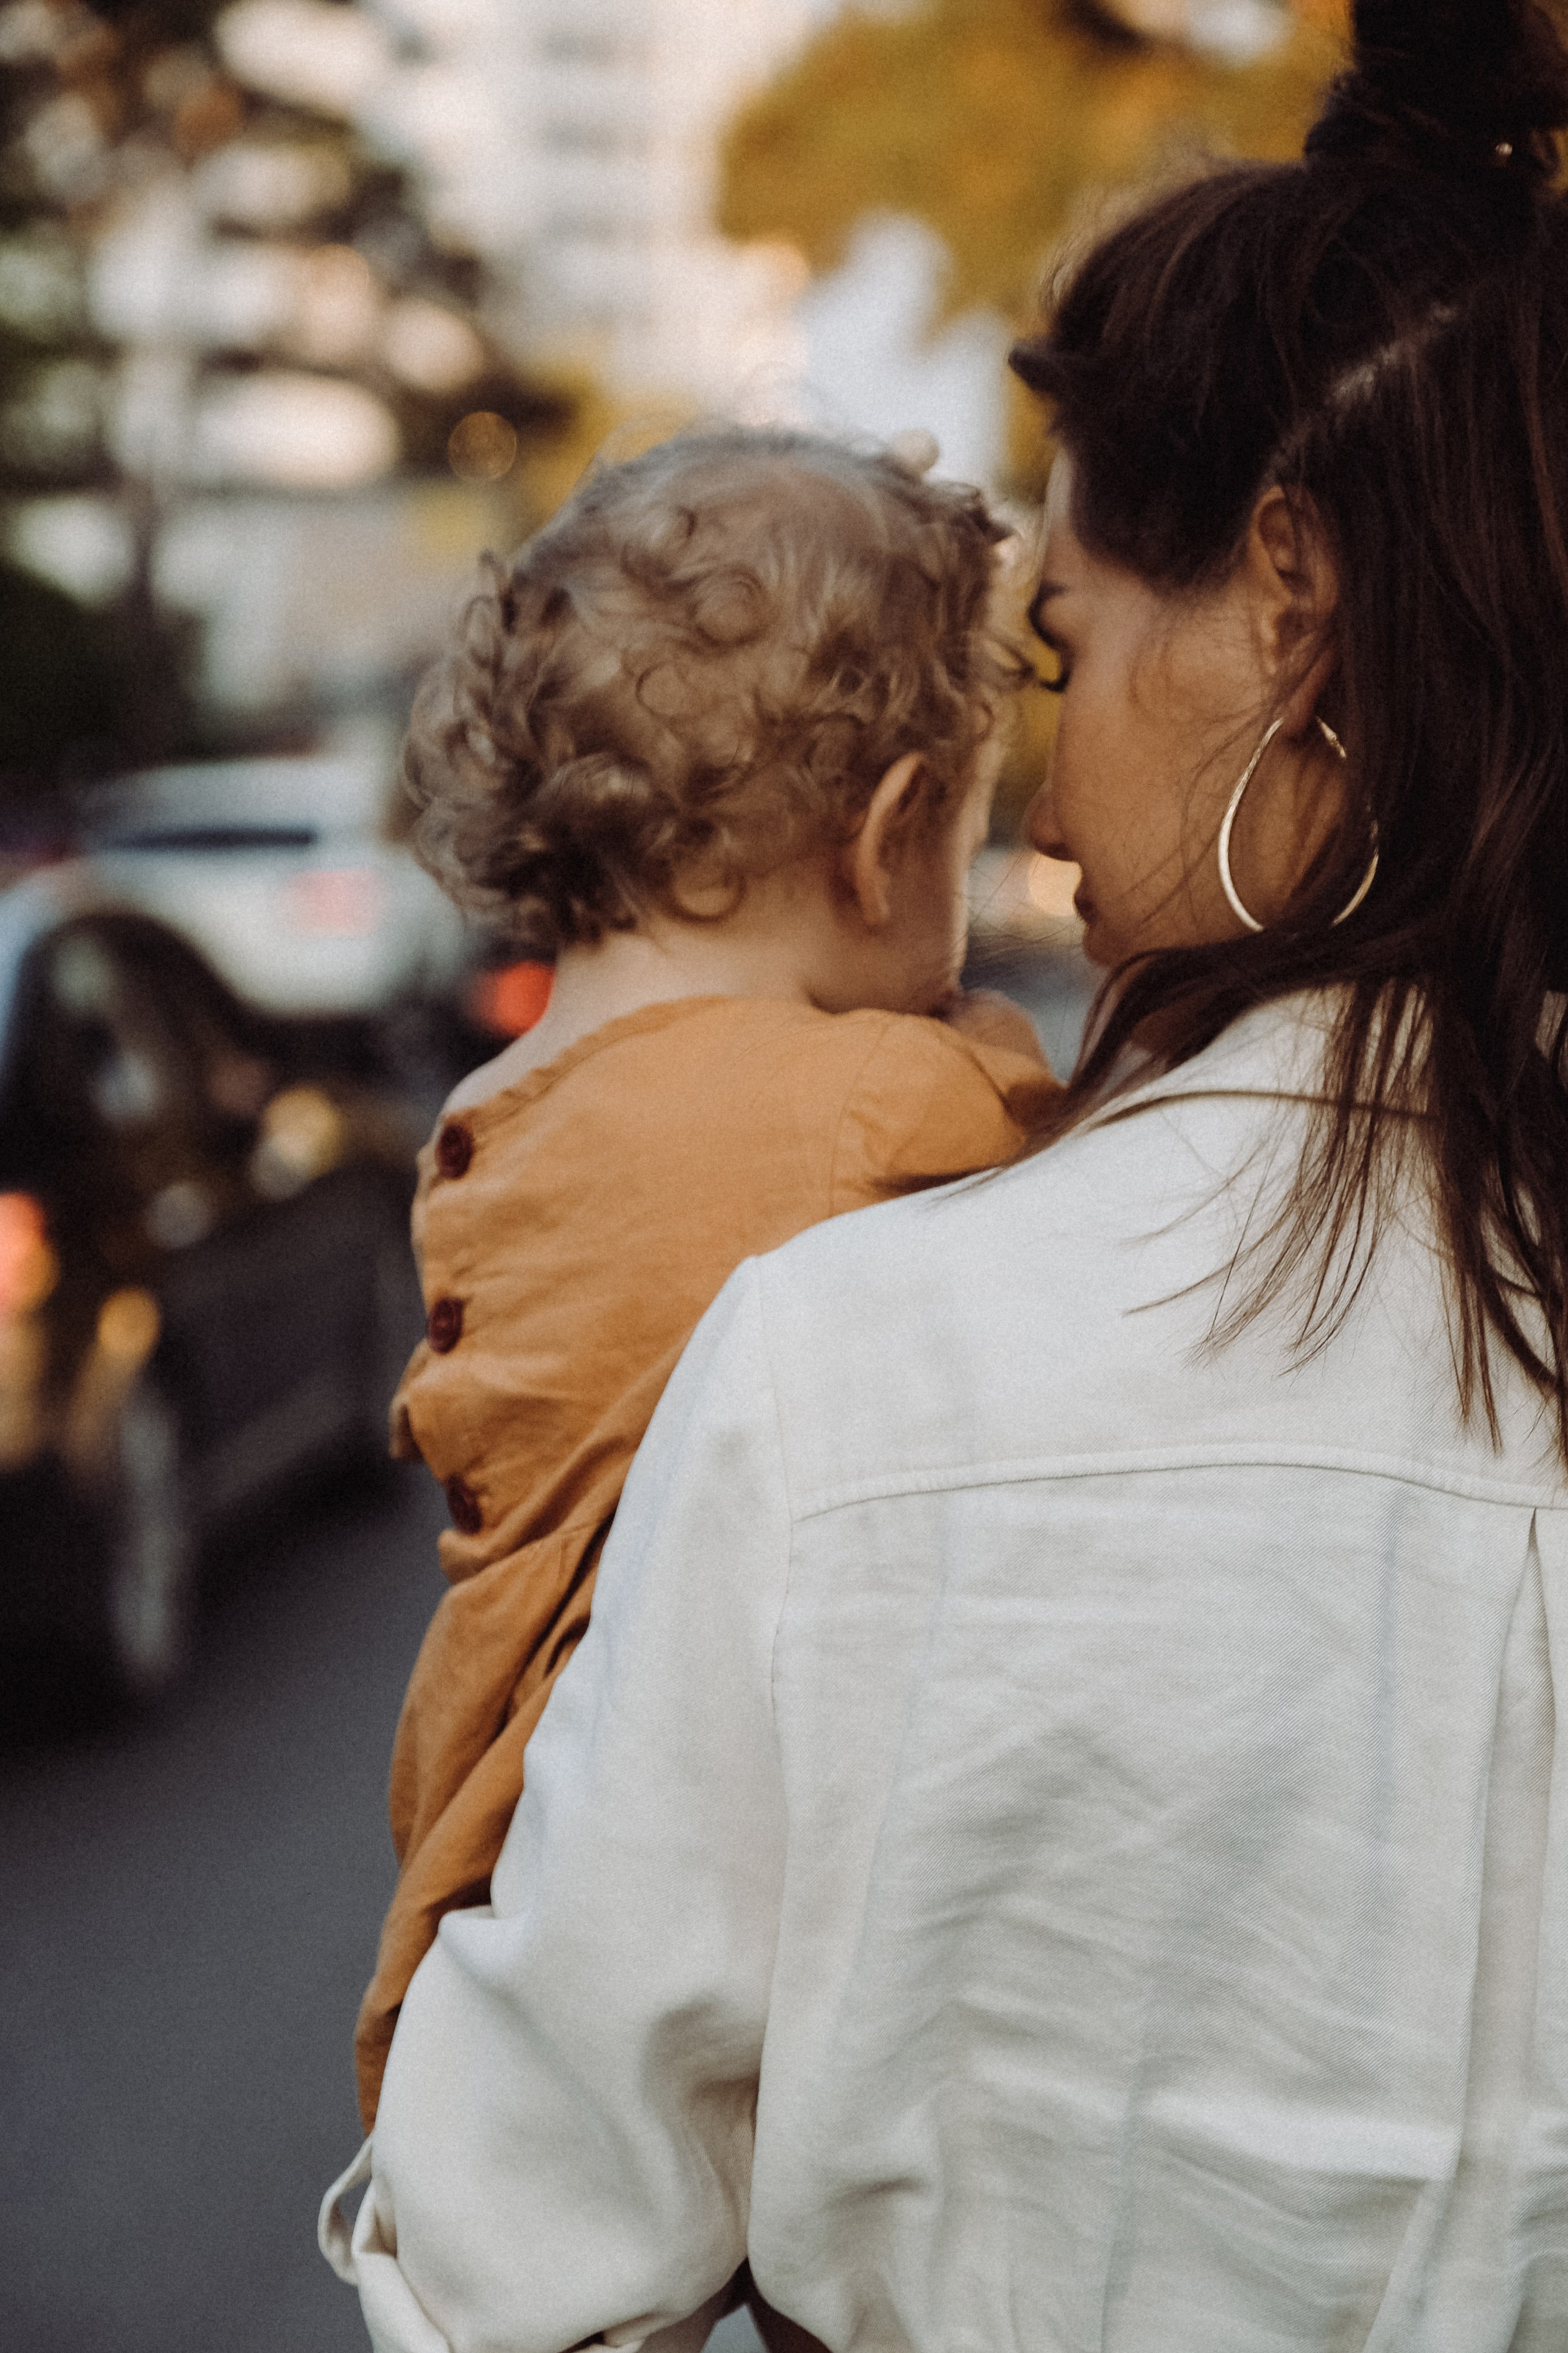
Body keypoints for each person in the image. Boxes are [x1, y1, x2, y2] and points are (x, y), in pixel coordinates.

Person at [323, 2, 1568, 2346]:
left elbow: (509, 2279)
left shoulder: (854, 1358)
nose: (1057, 803)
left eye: (1064, 652)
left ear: (1289, 603)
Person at [349, 424, 1058, 2132]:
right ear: (888, 837)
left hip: (478, 1829)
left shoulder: (495, 1111)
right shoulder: (871, 1101)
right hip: (662, 1863)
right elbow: (1066, 1149)